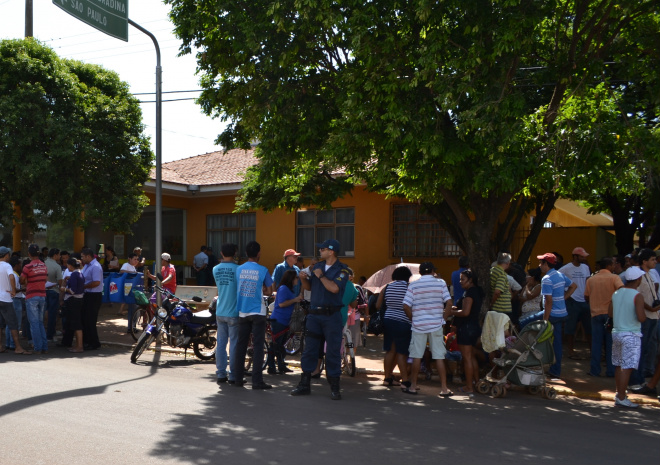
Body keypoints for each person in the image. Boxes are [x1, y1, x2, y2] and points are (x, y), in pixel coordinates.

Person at [292, 239, 349, 400]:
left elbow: (334, 288)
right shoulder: (318, 266)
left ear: (331, 251)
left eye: (322, 249)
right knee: (309, 349)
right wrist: (303, 278)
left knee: (332, 351)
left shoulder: (343, 270)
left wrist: (321, 276)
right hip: (314, 315)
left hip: (332, 316)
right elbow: (310, 286)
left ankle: (335, 386)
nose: (320, 251)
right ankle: (304, 384)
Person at [521, 253, 577, 379]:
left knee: (524, 324)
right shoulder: (560, 275)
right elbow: (574, 286)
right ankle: (555, 371)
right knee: (556, 342)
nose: (539, 265)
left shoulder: (546, 279)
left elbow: (549, 302)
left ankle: (531, 363)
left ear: (546, 264)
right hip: (562, 313)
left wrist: (545, 321)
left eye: (541, 263)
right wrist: (563, 298)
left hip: (552, 314)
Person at [402, 261, 453, 396]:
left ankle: (413, 386)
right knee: (439, 356)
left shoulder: (413, 285)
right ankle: (444, 388)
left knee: (416, 355)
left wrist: (413, 319)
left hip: (418, 325)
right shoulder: (441, 283)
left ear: (420, 272)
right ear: (432, 271)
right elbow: (449, 302)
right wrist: (444, 319)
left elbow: (406, 306)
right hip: (436, 324)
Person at [232, 241, 274, 390]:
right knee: (258, 347)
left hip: (242, 311)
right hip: (258, 311)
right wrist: (261, 289)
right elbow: (270, 291)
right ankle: (257, 381)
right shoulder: (263, 270)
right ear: (259, 253)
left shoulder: (239, 269)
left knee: (241, 345)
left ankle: (237, 378)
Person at [611, 266, 647, 408]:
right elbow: (641, 317)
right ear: (637, 280)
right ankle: (621, 396)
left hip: (617, 332)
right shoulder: (637, 296)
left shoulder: (617, 293)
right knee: (627, 367)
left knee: (619, 365)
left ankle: (619, 393)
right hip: (631, 334)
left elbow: (610, 313)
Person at [584, 257, 624, 377]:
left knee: (596, 343)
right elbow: (621, 291)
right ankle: (611, 371)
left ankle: (594, 370)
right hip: (610, 314)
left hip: (595, 313)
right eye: (613, 264)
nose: (614, 266)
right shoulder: (614, 277)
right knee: (610, 343)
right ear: (609, 266)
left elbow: (586, 296)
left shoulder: (591, 279)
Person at [447, 269, 483, 395]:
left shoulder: (469, 293)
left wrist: (450, 312)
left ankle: (469, 386)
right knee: (471, 356)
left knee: (467, 358)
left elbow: (465, 312)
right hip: (473, 327)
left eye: (462, 279)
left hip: (466, 328)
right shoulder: (475, 291)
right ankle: (476, 382)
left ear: (470, 280)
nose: (460, 281)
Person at [376, 265, 413, 388]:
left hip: (388, 320)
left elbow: (377, 305)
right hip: (403, 321)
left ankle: (387, 378)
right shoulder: (409, 288)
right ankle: (405, 381)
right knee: (402, 352)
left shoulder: (387, 287)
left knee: (390, 350)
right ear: (408, 277)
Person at [628, 248, 660, 387]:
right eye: (652, 259)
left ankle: (640, 378)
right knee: (639, 349)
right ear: (644, 261)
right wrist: (651, 308)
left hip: (653, 315)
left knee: (646, 349)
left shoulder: (650, 274)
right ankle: (636, 379)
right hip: (645, 316)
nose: (655, 262)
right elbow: (637, 297)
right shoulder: (638, 275)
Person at [212, 243, 240, 385]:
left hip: (220, 310)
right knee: (234, 344)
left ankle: (221, 374)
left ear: (221, 253)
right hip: (234, 311)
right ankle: (233, 375)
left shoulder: (215, 269)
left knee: (221, 343)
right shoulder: (238, 269)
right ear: (235, 253)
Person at [559, 247, 592, 359]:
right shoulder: (566, 268)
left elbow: (587, 282)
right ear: (575, 256)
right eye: (582, 256)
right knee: (570, 327)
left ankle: (592, 351)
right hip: (572, 300)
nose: (584, 258)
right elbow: (558, 280)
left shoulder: (586, 267)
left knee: (589, 326)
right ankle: (570, 351)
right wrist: (565, 294)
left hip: (584, 300)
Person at [267, 269, 302, 374]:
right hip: (279, 320)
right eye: (296, 278)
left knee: (281, 345)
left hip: (285, 321)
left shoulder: (289, 289)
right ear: (291, 279)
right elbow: (281, 304)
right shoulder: (283, 288)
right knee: (275, 345)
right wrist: (294, 300)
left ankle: (281, 364)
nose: (297, 280)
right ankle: (271, 366)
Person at [0, 246, 31, 355]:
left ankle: (0, 346)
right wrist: (13, 290)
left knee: (0, 324)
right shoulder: (7, 265)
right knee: (13, 323)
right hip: (6, 298)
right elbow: (12, 277)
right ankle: (18, 347)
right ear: (6, 255)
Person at [21, 244, 48, 354]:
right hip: (42, 296)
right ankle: (44, 347)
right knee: (40, 322)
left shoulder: (27, 267)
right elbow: (45, 280)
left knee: (34, 323)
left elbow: (22, 280)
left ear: (29, 254)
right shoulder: (43, 266)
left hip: (31, 296)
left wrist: (27, 281)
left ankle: (37, 347)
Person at [60, 258, 85, 353]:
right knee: (75, 323)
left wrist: (64, 289)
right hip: (79, 300)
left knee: (76, 324)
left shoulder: (74, 274)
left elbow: (72, 290)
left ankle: (79, 346)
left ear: (70, 265)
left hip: (74, 300)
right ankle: (77, 345)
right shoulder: (80, 273)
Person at [81, 247, 103, 350]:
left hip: (94, 295)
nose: (82, 259)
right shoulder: (87, 265)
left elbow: (96, 282)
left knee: (91, 319)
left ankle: (94, 342)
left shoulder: (95, 266)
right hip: (87, 294)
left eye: (83, 257)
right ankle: (87, 341)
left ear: (88, 256)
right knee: (85, 319)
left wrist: (83, 286)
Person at [5, 256, 25, 351]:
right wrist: (24, 289)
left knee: (9, 323)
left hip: (9, 299)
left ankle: (9, 343)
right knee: (16, 323)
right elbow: (15, 289)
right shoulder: (15, 276)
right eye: (20, 264)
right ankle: (14, 344)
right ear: (16, 265)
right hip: (16, 299)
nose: (20, 266)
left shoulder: (7, 274)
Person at [44, 248, 63, 341]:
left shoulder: (43, 264)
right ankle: (50, 334)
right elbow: (60, 281)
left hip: (43, 291)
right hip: (54, 291)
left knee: (44, 312)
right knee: (52, 313)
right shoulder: (57, 267)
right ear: (55, 255)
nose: (60, 257)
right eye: (59, 255)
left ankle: (45, 332)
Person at [119, 253, 140, 328]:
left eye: (137, 259)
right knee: (134, 309)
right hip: (129, 290)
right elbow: (122, 271)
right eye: (134, 259)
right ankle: (132, 327)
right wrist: (133, 273)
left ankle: (131, 327)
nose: (136, 261)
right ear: (129, 259)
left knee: (133, 309)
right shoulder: (126, 265)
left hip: (132, 290)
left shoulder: (133, 267)